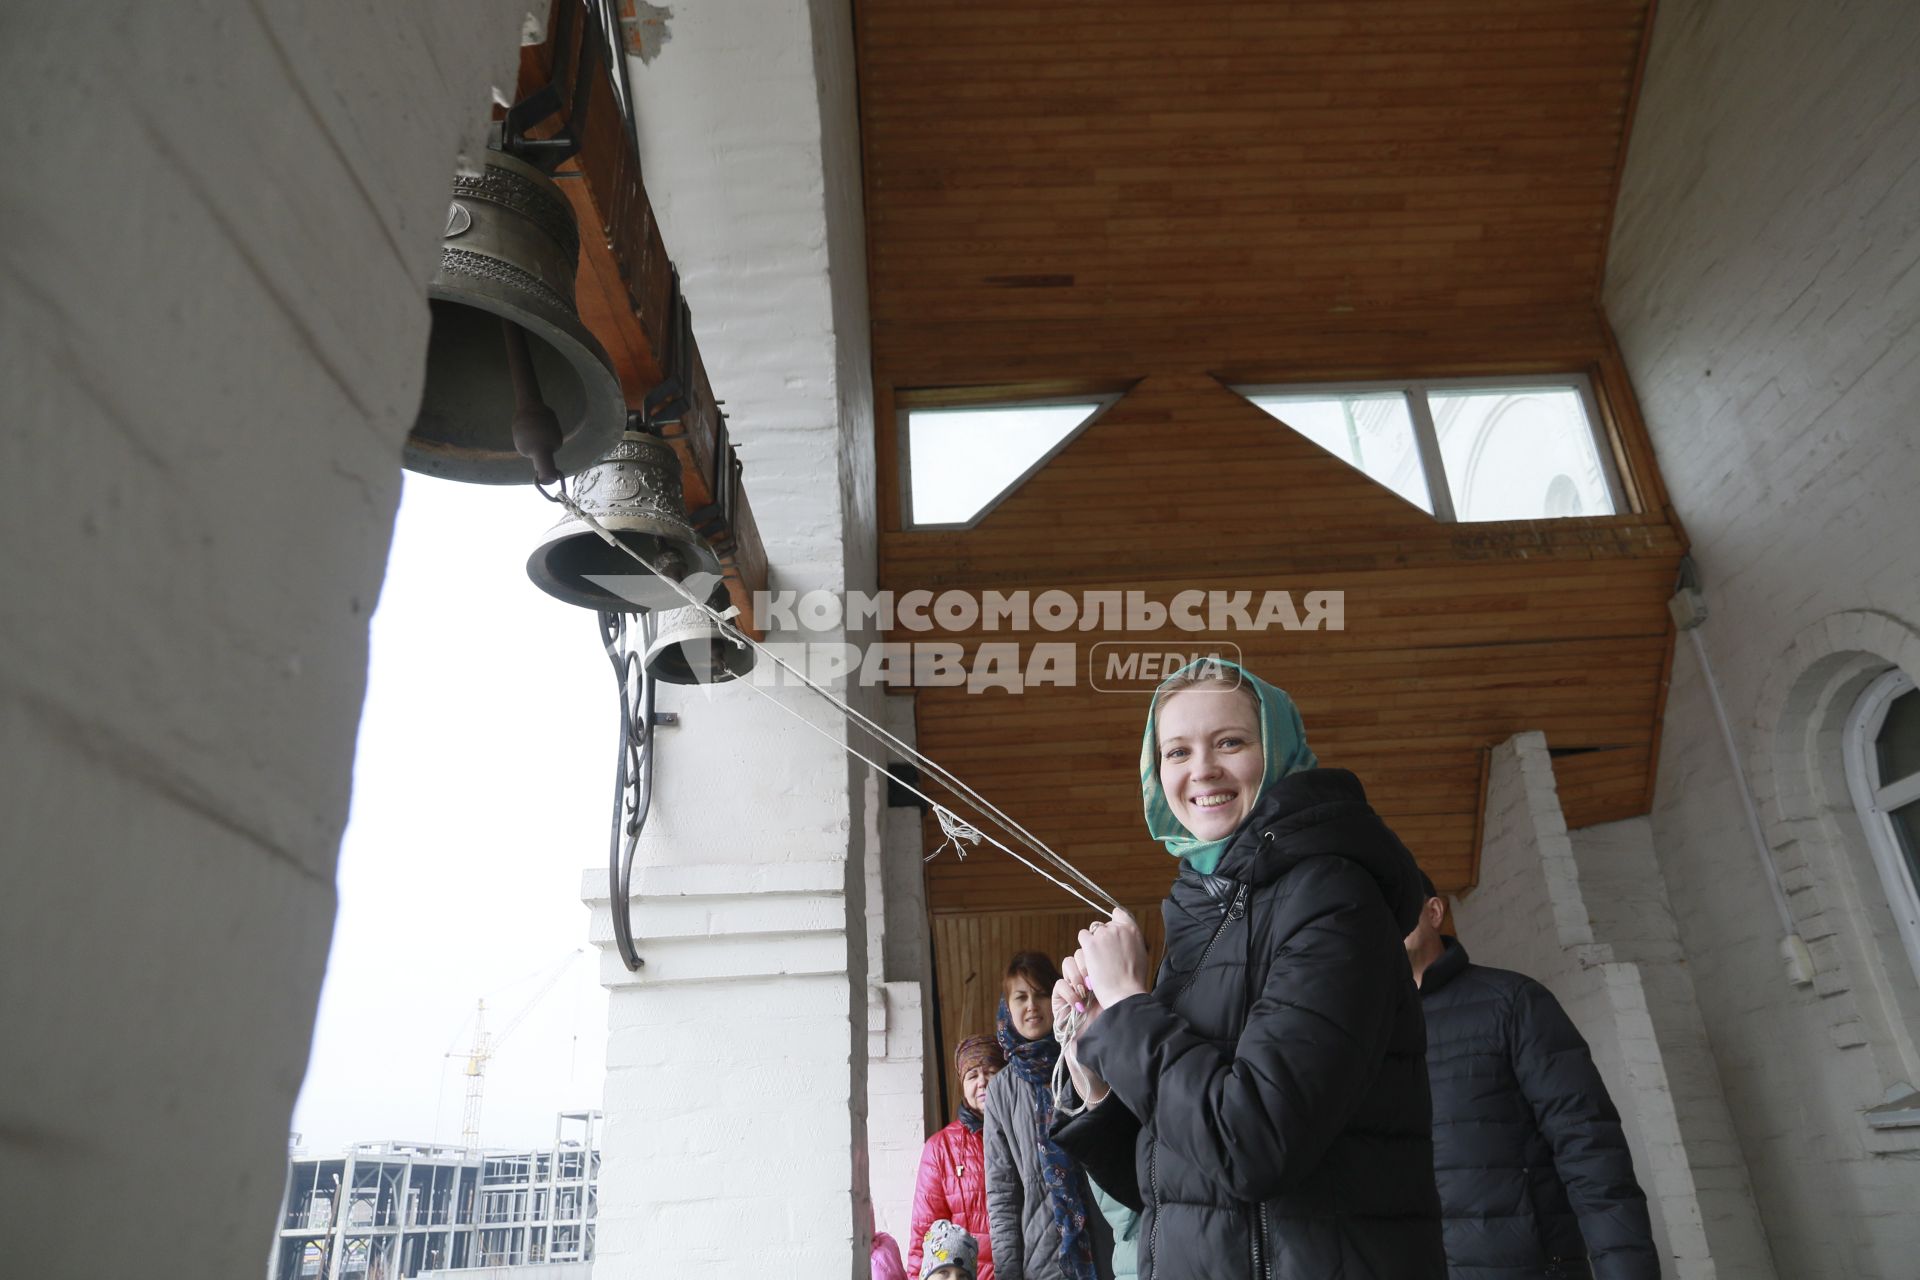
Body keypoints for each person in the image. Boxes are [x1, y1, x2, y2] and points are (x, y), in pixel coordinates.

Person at [1051, 658, 1445, 1278]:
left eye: (1229, 742)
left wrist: (1129, 1009)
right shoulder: (1200, 912)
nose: (1201, 770)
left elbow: (1253, 1149)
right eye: (1176, 752)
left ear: (1279, 749)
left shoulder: (1334, 898)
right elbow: (1178, 1185)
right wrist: (1096, 1074)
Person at [1405, 874, 1659, 1279]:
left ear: (1433, 912)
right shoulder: (1367, 1032)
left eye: (1394, 903)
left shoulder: (1512, 1002)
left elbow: (1590, 1148)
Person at [984, 951, 1115, 1280]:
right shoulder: (1001, 1089)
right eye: (1021, 996)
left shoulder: (1084, 1058)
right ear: (1008, 1005)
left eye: (1041, 994)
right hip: (1042, 1260)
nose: (1032, 1005)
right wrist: (1008, 1272)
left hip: (1105, 1244)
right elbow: (1002, 1191)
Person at [910, 1034, 1006, 1280]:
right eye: (972, 1076)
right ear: (962, 1085)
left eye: (991, 1071)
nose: (982, 1082)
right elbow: (924, 1236)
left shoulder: (1024, 1135)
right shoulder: (940, 1149)